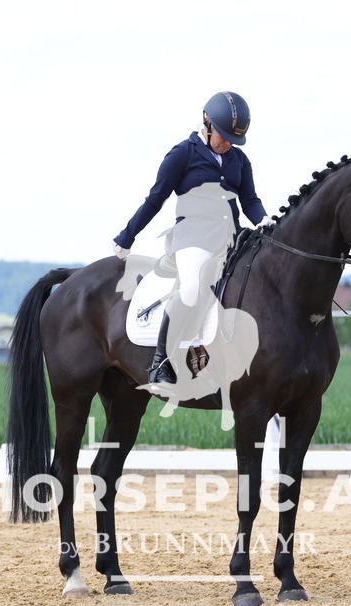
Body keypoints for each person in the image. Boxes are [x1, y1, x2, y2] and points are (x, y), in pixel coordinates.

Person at [112, 91, 273, 390]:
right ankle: (161, 362)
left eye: (234, 140)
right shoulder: (182, 154)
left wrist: (264, 220)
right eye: (224, 136)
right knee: (190, 290)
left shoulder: (239, 160)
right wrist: (127, 235)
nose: (228, 144)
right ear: (207, 123)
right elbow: (155, 199)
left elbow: (250, 200)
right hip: (192, 239)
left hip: (231, 239)